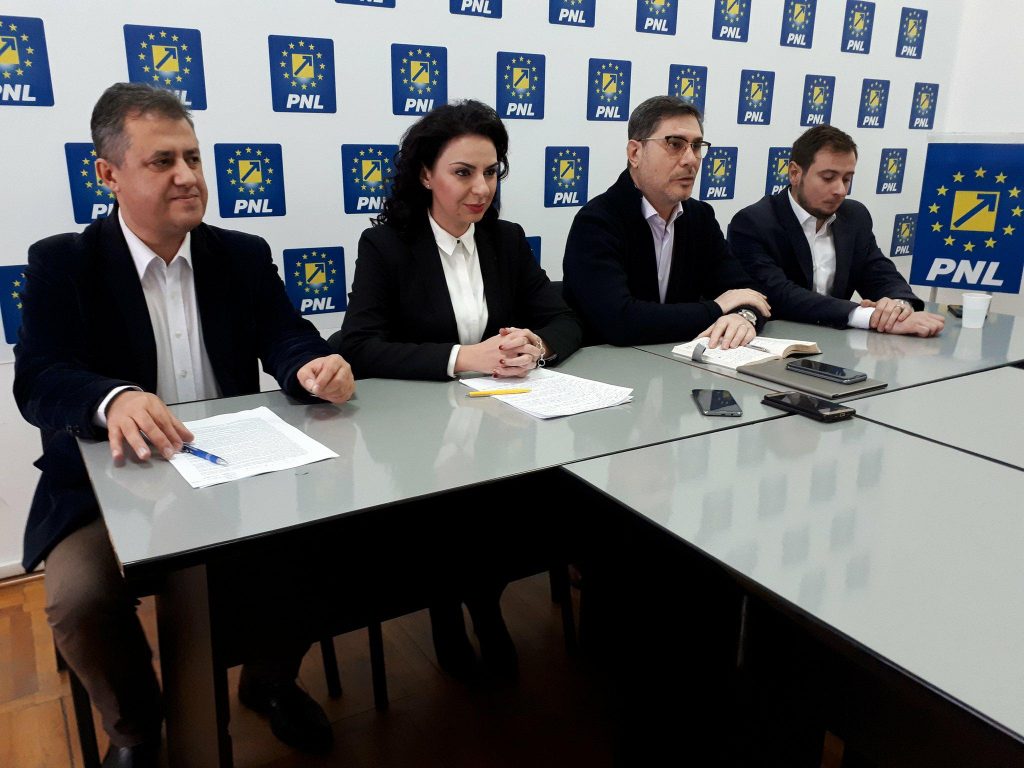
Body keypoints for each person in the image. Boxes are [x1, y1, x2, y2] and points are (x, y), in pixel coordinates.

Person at [14, 83, 355, 766]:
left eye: (193, 158)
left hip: (235, 467)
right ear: (108, 174)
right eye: (162, 161)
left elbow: (285, 335)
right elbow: (40, 378)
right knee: (80, 598)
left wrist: (312, 364)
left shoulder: (241, 254)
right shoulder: (64, 262)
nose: (188, 176)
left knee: (326, 539)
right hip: (111, 480)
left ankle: (269, 681)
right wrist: (113, 398)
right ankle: (138, 730)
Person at [332, 99, 580, 679]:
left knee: (520, 507)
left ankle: (483, 600)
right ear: (426, 175)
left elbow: (564, 317)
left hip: (499, 423)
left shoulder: (506, 240)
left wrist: (536, 346)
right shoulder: (387, 245)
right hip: (416, 435)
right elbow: (358, 345)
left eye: (491, 172)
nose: (481, 188)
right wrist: (463, 357)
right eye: (463, 172)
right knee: (451, 512)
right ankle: (449, 609)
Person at [562, 95, 771, 349]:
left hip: (679, 361)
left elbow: (747, 293)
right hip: (607, 366)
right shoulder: (597, 221)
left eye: (696, 146)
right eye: (675, 144)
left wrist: (744, 317)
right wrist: (717, 308)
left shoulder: (700, 217)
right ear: (635, 153)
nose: (691, 159)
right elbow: (620, 322)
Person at [728, 124, 944, 336]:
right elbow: (779, 296)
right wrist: (867, 316)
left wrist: (898, 306)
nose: (840, 190)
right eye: (828, 178)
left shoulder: (855, 217)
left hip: (838, 345)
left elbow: (879, 273)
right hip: (776, 343)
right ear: (795, 174)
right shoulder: (754, 223)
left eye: (847, 179)